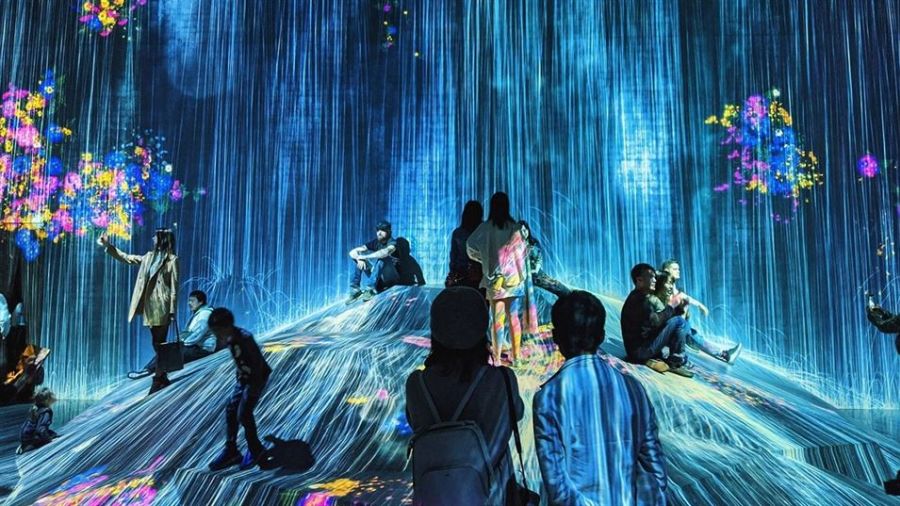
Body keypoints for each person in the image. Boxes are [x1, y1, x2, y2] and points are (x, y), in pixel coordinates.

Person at [534, 291, 668, 504]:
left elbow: (558, 486)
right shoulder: (634, 388)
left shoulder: (549, 397)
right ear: (602, 337)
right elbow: (655, 468)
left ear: (556, 337)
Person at [406, 286, 524, 504]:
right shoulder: (502, 380)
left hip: (436, 497)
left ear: (435, 331)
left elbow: (415, 424)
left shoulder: (416, 384)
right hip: (491, 497)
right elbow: (517, 413)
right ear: (482, 329)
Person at [99, 228, 179, 395]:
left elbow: (174, 287)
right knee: (156, 343)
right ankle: (161, 375)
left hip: (162, 307)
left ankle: (159, 378)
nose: (152, 238)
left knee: (160, 342)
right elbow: (127, 258)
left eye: (156, 236)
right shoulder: (148, 257)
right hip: (149, 307)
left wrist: (172, 310)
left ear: (162, 239)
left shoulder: (172, 260)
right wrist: (108, 246)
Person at [466, 192, 538, 365]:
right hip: (513, 280)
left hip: (495, 280)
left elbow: (470, 245)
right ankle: (517, 357)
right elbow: (523, 253)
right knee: (513, 318)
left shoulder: (485, 227)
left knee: (497, 320)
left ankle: (497, 359)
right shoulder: (514, 227)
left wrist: (484, 258)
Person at [207, 308, 272, 471]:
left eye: (217, 332)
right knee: (231, 410)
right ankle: (231, 450)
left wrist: (252, 388)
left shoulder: (245, 338)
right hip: (243, 378)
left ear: (227, 327)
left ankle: (256, 450)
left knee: (244, 414)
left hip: (255, 379)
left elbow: (257, 364)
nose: (216, 336)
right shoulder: (230, 338)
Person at [621, 263, 694, 378]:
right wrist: (671, 305)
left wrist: (678, 308)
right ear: (639, 280)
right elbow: (657, 322)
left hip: (637, 350)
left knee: (678, 321)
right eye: (651, 277)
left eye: (655, 277)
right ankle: (675, 363)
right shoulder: (640, 301)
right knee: (679, 322)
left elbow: (658, 322)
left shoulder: (640, 297)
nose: (655, 280)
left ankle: (658, 359)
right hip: (640, 352)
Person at [128, 290, 220, 379]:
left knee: (170, 351)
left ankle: (149, 370)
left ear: (200, 302)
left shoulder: (205, 314)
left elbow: (196, 335)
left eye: (192, 301)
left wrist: (181, 343)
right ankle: (150, 370)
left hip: (202, 349)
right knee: (168, 350)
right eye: (189, 301)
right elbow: (190, 333)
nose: (189, 303)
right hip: (197, 347)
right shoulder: (201, 313)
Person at [654, 272, 741, 364]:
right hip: (656, 340)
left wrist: (693, 307)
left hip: (666, 335)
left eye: (672, 283)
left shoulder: (671, 295)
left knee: (687, 329)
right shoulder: (657, 299)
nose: (671, 286)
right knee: (685, 329)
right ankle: (723, 354)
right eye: (668, 283)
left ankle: (723, 354)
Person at [346, 220, 399, 303]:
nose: (379, 233)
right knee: (359, 259)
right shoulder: (375, 242)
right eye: (378, 230)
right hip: (379, 280)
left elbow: (385, 252)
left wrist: (364, 256)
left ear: (389, 231)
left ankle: (370, 289)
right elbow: (352, 252)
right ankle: (355, 289)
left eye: (382, 230)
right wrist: (359, 259)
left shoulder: (393, 243)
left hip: (391, 280)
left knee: (383, 257)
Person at [520, 220, 571, 298]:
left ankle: (571, 296)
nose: (524, 233)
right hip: (524, 276)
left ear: (528, 230)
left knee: (556, 285)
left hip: (536, 273)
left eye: (525, 230)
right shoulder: (516, 247)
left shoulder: (533, 242)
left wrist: (535, 270)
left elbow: (539, 258)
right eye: (521, 232)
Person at [445, 200, 484, 290]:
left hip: (461, 274)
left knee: (462, 297)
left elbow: (453, 257)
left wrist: (452, 273)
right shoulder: (484, 232)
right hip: (480, 275)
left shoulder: (458, 233)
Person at [16, 386, 58, 454]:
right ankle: (29, 446)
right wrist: (49, 440)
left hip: (23, 436)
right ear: (47, 399)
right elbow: (41, 429)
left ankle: (25, 444)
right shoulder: (45, 412)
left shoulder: (34, 408)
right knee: (52, 436)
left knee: (52, 433)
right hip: (31, 437)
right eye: (52, 395)